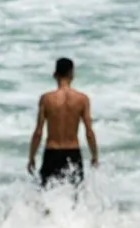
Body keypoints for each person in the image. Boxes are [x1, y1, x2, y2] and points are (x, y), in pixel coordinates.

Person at [27, 58, 98, 189]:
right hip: (73, 153)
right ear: (72, 74)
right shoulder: (82, 99)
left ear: (55, 74)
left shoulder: (46, 99)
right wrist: (94, 155)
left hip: (51, 153)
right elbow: (89, 132)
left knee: (46, 193)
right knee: (75, 194)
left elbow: (38, 132)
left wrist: (31, 157)